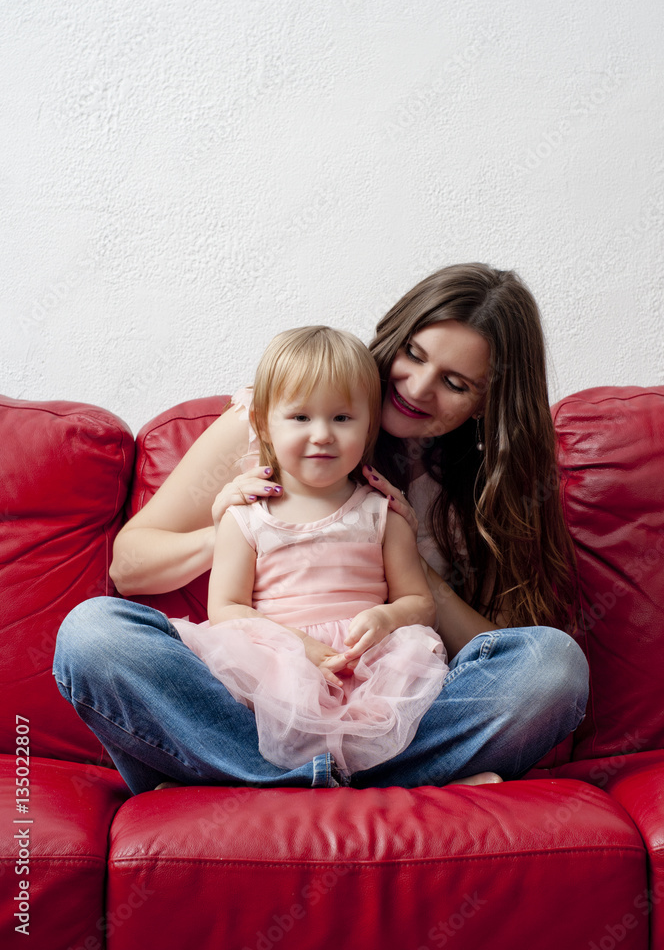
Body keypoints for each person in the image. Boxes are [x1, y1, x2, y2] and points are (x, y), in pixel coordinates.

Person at [53, 262, 589, 794]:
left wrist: (401, 563)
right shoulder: (268, 424)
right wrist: (240, 529)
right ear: (393, 337)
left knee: (553, 665)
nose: (419, 387)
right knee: (93, 633)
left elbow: (492, 650)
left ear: (485, 404)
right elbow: (129, 565)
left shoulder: (478, 486)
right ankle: (372, 781)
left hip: (385, 707)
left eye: (454, 383)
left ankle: (256, 780)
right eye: (414, 355)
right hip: (260, 703)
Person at [171, 326, 447, 776]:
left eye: (342, 419)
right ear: (262, 424)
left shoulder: (383, 513)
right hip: (275, 667)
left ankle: (307, 773)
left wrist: (385, 619)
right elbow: (226, 608)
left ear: (369, 426)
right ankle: (381, 772)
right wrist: (297, 647)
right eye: (300, 418)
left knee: (535, 660)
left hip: (371, 667)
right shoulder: (246, 516)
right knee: (106, 634)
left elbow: (420, 604)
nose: (322, 435)